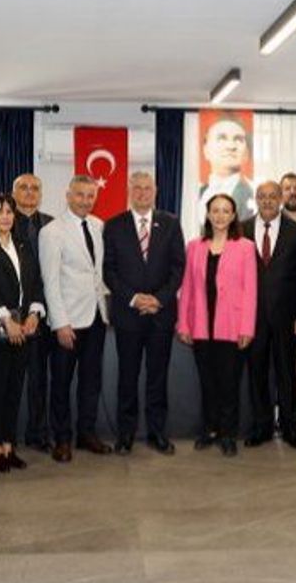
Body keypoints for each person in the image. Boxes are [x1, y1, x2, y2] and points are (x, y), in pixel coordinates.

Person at [102, 171, 185, 455]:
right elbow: (109, 270)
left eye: (147, 188)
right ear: (129, 191)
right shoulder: (114, 225)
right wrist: (135, 298)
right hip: (128, 315)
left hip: (161, 315)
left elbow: (178, 268)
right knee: (127, 377)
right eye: (136, 188)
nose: (141, 193)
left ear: (155, 191)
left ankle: (157, 433)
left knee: (157, 378)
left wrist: (159, 299)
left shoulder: (171, 223)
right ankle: (125, 435)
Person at [38, 175, 113, 462]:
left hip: (96, 317)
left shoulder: (98, 226)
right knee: (61, 383)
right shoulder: (52, 231)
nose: (85, 200)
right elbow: (50, 281)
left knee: (91, 381)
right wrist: (60, 323)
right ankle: (62, 439)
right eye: (80, 194)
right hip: (67, 321)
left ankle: (86, 433)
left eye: (90, 195)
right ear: (68, 195)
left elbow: (98, 273)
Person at [177, 194, 258, 457]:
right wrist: (184, 323)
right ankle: (209, 429)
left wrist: (247, 328)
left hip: (232, 327)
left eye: (225, 211)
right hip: (201, 326)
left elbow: (251, 291)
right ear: (208, 214)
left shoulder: (245, 247)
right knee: (207, 382)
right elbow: (187, 288)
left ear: (233, 216)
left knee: (229, 384)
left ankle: (228, 433)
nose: (220, 216)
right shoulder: (194, 246)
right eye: (215, 210)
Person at [0, 193, 46, 472]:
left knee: (15, 389)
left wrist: (34, 313)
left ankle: (9, 444)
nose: (5, 216)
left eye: (9, 211)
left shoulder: (23, 244)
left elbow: (35, 282)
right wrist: (7, 320)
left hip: (25, 327)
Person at [242, 181, 296, 449]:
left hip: (287, 317)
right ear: (256, 199)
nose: (267, 201)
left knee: (286, 372)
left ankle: (290, 426)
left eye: (272, 196)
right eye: (262, 196)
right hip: (253, 317)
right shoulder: (242, 229)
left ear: (281, 198)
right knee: (257, 372)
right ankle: (262, 426)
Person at [12, 174, 57, 452]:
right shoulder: (2, 221)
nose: (30, 192)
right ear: (13, 193)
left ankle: (37, 433)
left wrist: (38, 311)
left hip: (46, 311)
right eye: (24, 188)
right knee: (8, 379)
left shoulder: (52, 224)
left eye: (35, 188)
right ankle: (4, 435)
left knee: (39, 378)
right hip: (12, 314)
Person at [198, 115, 255, 216]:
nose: (230, 146)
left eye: (238, 140)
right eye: (222, 138)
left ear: (246, 153)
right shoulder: (196, 193)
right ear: (205, 150)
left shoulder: (254, 194)